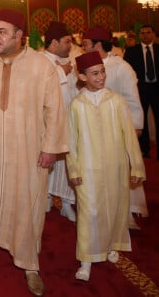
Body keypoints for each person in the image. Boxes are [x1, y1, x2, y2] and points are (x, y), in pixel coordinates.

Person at [0, 10, 68, 297]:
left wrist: (50, 148)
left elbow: (55, 110)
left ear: (20, 35)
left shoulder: (41, 66)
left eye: (3, 32)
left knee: (28, 202)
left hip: (30, 149)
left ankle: (30, 264)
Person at [67, 51, 145, 282]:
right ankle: (87, 260)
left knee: (115, 207)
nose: (101, 77)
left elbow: (129, 137)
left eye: (102, 72)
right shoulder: (77, 105)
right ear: (82, 77)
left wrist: (137, 167)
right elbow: (71, 141)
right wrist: (74, 170)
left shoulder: (116, 101)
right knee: (90, 212)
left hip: (116, 167)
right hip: (87, 169)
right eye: (94, 73)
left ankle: (111, 245)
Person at [82, 26, 147, 229]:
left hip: (117, 128)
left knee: (120, 171)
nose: (82, 47)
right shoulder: (85, 65)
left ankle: (126, 212)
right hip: (94, 130)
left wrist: (136, 127)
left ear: (97, 45)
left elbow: (133, 99)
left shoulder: (121, 67)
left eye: (85, 44)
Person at [42, 21, 78, 223]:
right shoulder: (40, 61)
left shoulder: (70, 61)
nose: (70, 45)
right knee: (46, 163)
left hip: (68, 121)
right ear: (54, 42)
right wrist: (61, 72)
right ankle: (45, 196)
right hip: (47, 123)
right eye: (66, 41)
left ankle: (66, 203)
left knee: (66, 163)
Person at [124, 25, 159, 159]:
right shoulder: (131, 51)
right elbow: (128, 73)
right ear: (139, 35)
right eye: (143, 33)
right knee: (141, 119)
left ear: (153, 34)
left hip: (157, 88)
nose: (145, 35)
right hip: (141, 89)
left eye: (148, 33)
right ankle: (145, 149)